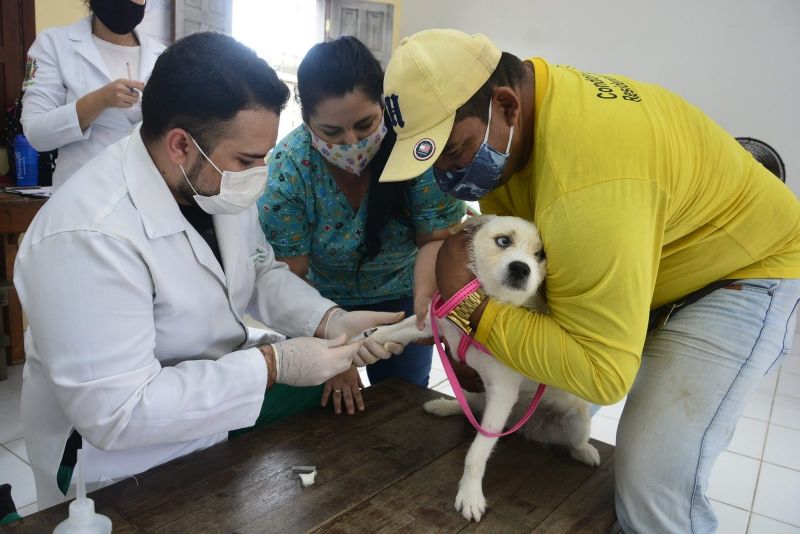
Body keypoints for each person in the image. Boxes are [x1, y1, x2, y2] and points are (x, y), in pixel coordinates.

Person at [378, 29, 800, 533]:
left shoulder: (591, 183)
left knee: (652, 480)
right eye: (434, 162)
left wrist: (470, 310)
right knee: (550, 387)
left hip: (742, 275)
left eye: (456, 150)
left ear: (507, 105)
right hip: (647, 265)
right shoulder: (527, 126)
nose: (447, 175)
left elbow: (603, 372)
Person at [15, 32, 407, 510]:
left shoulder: (214, 184)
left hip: (207, 411)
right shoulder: (88, 237)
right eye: (247, 159)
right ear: (181, 143)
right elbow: (117, 413)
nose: (260, 172)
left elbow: (260, 271)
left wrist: (331, 320)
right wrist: (273, 364)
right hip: (112, 465)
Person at [258, 36, 465, 414]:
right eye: (331, 132)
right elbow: (289, 275)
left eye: (365, 124)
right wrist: (329, 350)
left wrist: (423, 307)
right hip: (316, 304)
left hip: (402, 296)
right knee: (330, 411)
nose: (351, 143)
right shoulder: (289, 168)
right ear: (306, 121)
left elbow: (436, 239)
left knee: (402, 406)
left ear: (384, 107)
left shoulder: (415, 151)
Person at [21, 0, 165, 189]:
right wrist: (99, 100)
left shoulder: (163, 56)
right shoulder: (53, 45)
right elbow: (37, 134)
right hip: (82, 198)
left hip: (148, 195)